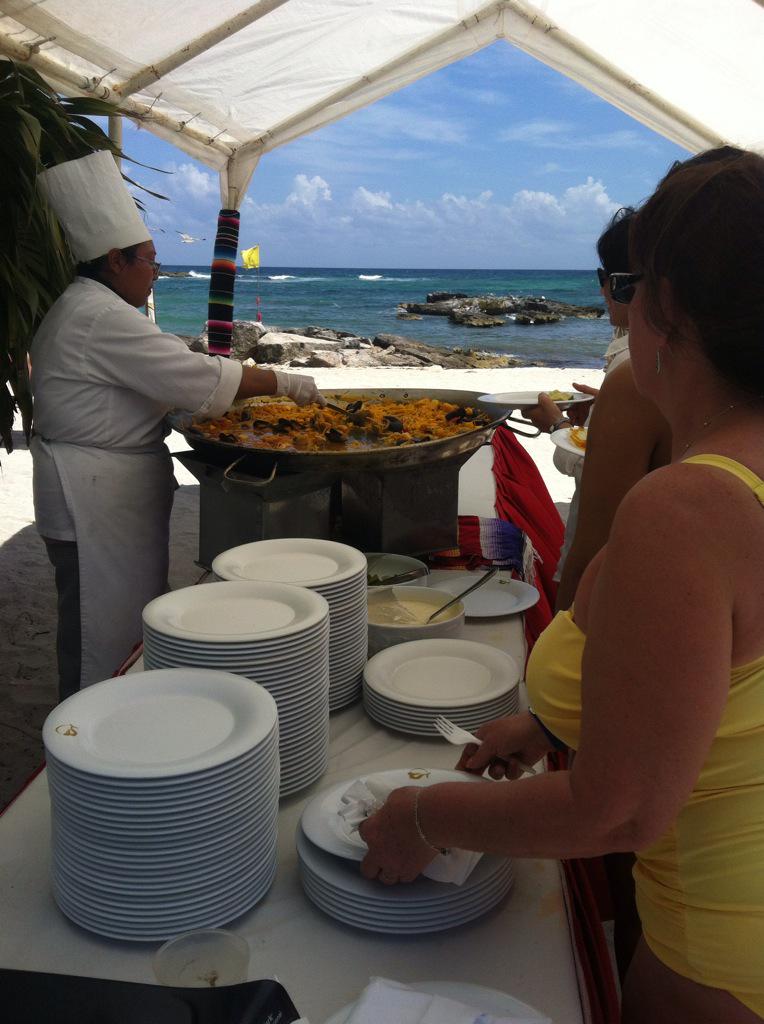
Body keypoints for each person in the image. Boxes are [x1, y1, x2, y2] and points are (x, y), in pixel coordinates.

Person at [359, 148, 764, 1022]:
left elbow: (618, 813)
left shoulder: (688, 508)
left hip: (718, 956)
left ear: (665, 306)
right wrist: (549, 724)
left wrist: (421, 817)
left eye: (631, 282)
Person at [30, 150, 325, 700]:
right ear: (115, 260)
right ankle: (90, 718)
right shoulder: (99, 315)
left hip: (99, 485)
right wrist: (285, 383)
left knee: (117, 614)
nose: (156, 274)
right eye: (150, 262)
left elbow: (141, 386)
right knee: (99, 623)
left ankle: (113, 707)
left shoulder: (87, 304)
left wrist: (181, 409)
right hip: (91, 495)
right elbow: (196, 373)